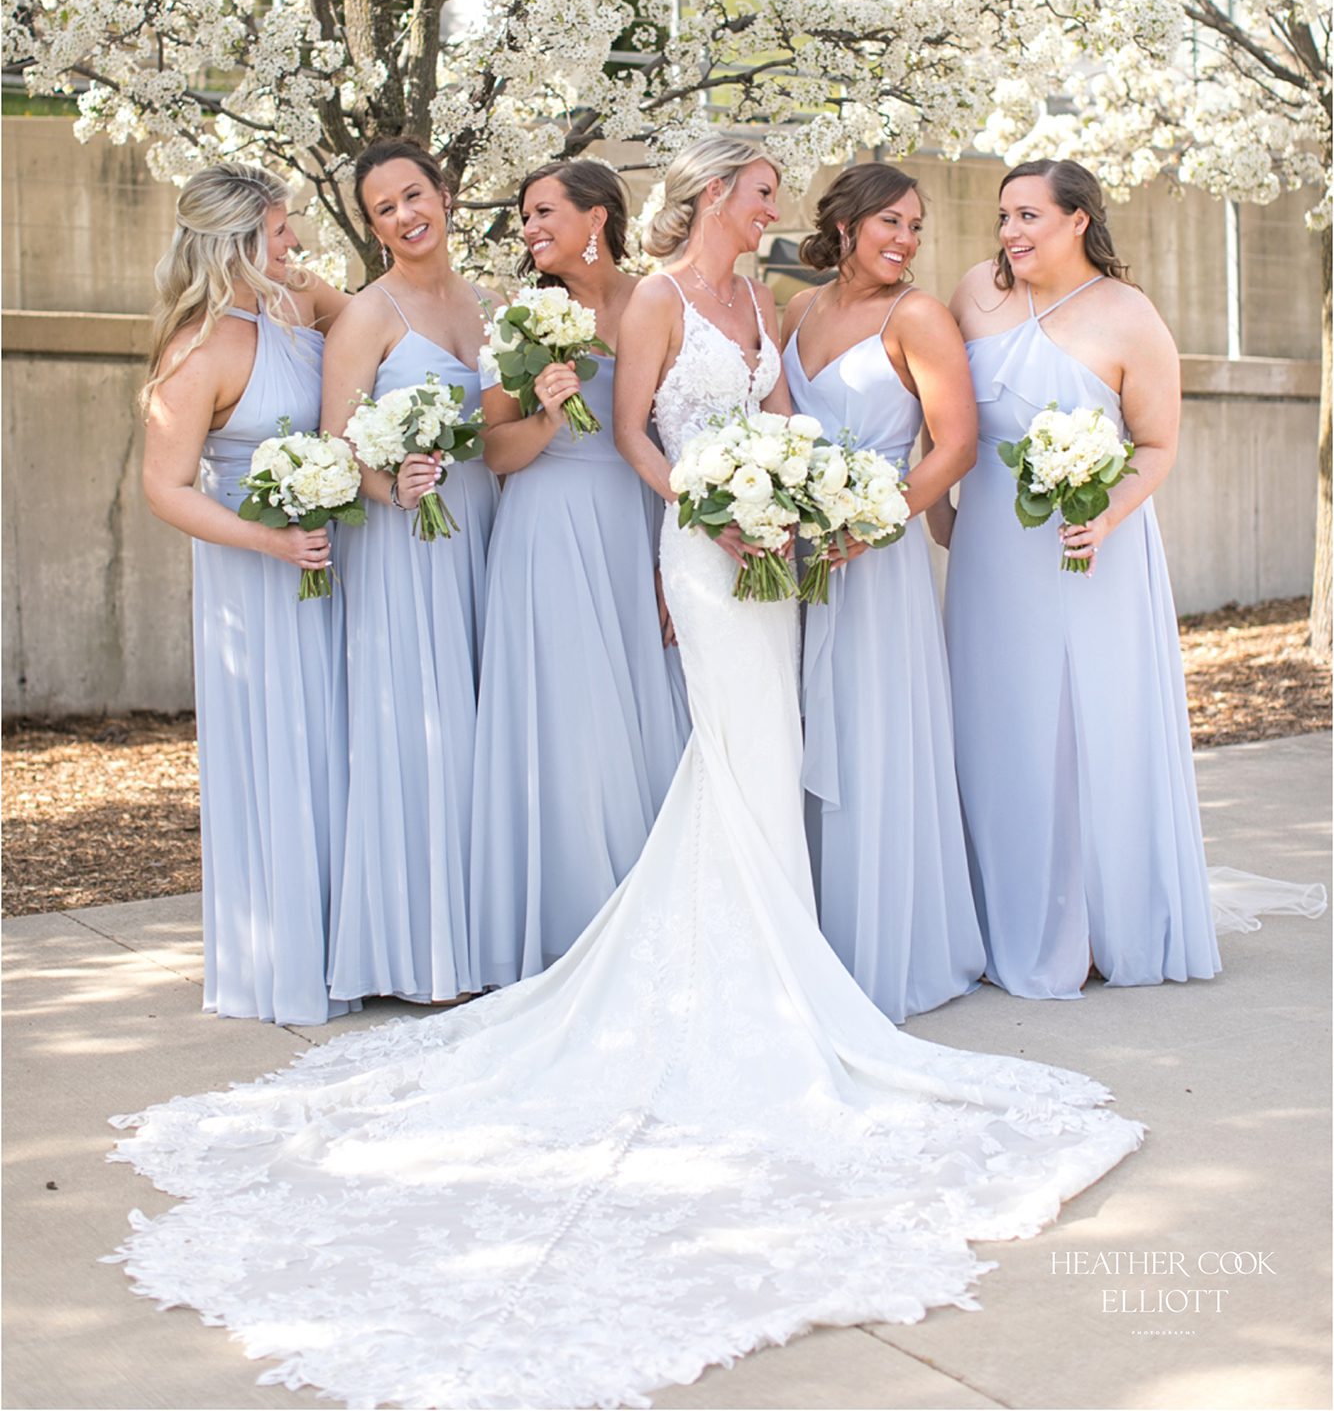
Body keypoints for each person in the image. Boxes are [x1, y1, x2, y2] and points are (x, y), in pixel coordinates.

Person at [111, 136, 1141, 1411]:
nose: (781, 208)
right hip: (702, 546)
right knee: (731, 740)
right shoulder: (641, 297)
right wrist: (702, 513)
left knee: (752, 748)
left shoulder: (758, 300)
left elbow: (772, 413)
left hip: (768, 536)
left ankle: (765, 946)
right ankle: (746, 962)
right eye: (763, 189)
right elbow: (637, 430)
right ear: (718, 193)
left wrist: (798, 493)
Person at [942, 157, 1222, 997]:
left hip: (1090, 548)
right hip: (992, 544)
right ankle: (1001, 919)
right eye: (1003, 217)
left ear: (1077, 220)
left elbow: (1158, 445)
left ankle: (1094, 922)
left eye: (1029, 216)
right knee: (995, 719)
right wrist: (934, 504)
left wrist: (1106, 513)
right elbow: (943, 411)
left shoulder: (1130, 317)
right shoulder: (972, 295)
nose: (1011, 233)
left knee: (1079, 725)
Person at [140, 163, 351, 1026]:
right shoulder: (196, 349)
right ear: (235, 242)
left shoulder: (294, 304)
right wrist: (269, 539)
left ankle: (348, 939)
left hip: (325, 561)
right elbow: (166, 486)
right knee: (276, 746)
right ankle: (282, 957)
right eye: (279, 231)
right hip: (252, 572)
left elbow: (356, 320)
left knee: (333, 739)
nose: (294, 240)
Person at [469, 160, 688, 987]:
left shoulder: (654, 302)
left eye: (543, 212)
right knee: (568, 713)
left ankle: (656, 916)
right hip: (547, 523)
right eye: (525, 216)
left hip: (636, 517)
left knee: (641, 702)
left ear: (597, 217)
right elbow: (496, 453)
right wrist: (549, 413)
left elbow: (673, 431)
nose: (528, 228)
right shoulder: (518, 316)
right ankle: (572, 924)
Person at [782, 161, 985, 1020]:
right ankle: (814, 936)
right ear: (846, 225)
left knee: (875, 728)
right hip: (797, 556)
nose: (905, 241)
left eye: (915, 227)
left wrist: (875, 521)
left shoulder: (921, 317)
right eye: (890, 223)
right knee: (800, 721)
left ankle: (890, 941)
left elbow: (956, 446)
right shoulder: (798, 310)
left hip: (878, 554)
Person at [320, 138, 498, 1006]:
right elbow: (336, 442)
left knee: (485, 722)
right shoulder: (369, 314)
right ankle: (423, 952)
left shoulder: (490, 302)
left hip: (486, 527)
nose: (403, 216)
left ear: (447, 195)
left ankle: (489, 926)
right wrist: (394, 486)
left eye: (414, 195)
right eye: (383, 208)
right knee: (423, 728)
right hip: (408, 543)